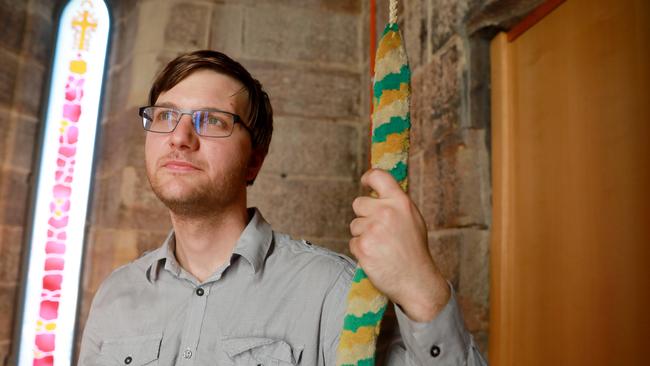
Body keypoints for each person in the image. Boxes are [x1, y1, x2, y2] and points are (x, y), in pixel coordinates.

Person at [78, 50, 487, 365]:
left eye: (212, 120)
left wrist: (422, 289)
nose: (180, 137)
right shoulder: (116, 295)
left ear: (255, 159)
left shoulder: (333, 291)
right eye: (166, 115)